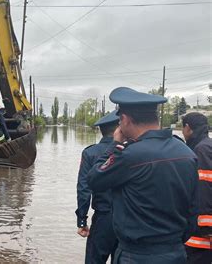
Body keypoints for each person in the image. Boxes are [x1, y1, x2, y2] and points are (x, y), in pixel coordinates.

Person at [87, 87, 199, 263]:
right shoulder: (187, 152)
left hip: (137, 255)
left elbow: (94, 179)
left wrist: (114, 145)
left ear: (124, 119)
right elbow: (194, 210)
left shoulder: (130, 156)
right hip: (175, 252)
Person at [76, 110, 119, 264]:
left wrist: (82, 220)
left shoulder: (91, 153)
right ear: (119, 128)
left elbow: (83, 188)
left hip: (103, 219)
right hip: (128, 219)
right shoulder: (131, 151)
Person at [182, 112, 212, 263]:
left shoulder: (201, 150)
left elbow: (204, 185)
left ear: (187, 128)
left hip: (201, 232)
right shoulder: (207, 145)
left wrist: (206, 227)